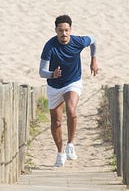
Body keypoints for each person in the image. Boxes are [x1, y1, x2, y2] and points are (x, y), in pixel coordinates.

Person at [39, 14, 99, 167]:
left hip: (72, 82)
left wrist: (93, 59)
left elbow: (94, 39)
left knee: (71, 110)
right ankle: (60, 152)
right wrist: (52, 74)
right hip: (54, 85)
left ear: (70, 30)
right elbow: (41, 71)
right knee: (56, 122)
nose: (64, 34)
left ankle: (70, 144)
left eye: (66, 30)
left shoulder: (78, 41)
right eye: (60, 31)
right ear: (56, 30)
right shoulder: (49, 46)